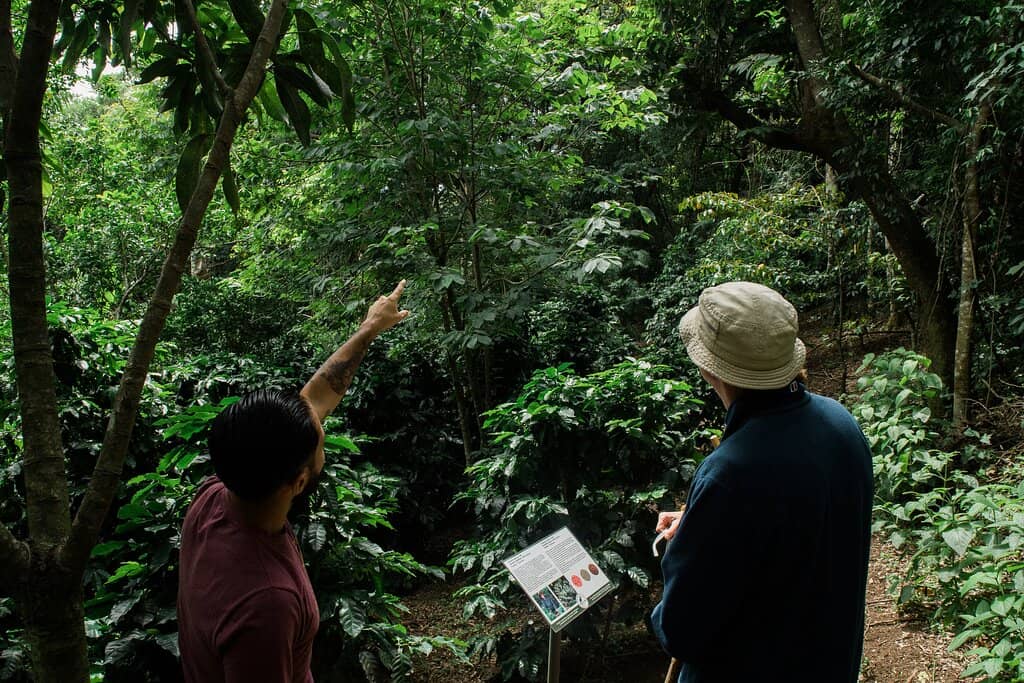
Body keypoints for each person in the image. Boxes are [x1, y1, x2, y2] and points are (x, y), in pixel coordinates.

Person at [177, 281, 410, 683]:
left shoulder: (216, 495)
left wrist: (370, 328)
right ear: (299, 482)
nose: (320, 420)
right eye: (320, 441)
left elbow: (315, 397)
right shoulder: (267, 604)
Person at [650, 281, 873, 683]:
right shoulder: (841, 423)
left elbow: (681, 631)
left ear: (708, 368)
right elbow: (794, 531)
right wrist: (704, 523)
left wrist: (681, 548)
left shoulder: (730, 472)